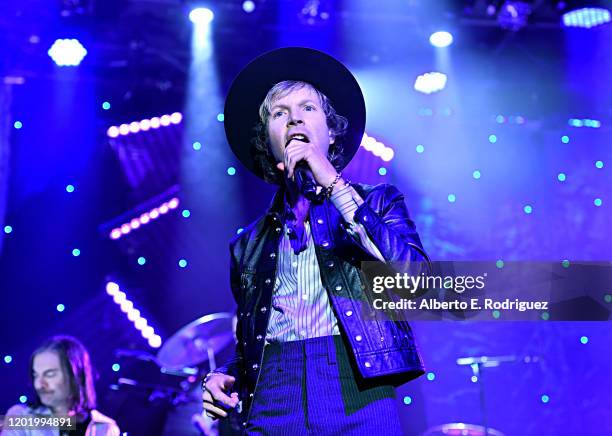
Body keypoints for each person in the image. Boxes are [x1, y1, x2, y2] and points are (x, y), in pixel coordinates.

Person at [202, 47, 430, 434]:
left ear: (331, 130)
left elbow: (415, 284)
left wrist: (333, 184)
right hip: (274, 396)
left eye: (307, 108)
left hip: (357, 386)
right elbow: (254, 340)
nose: (293, 118)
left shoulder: (377, 201)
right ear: (268, 141)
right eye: (279, 113)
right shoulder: (247, 245)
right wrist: (226, 374)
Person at [1, 335, 120, 436]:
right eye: (36, 375)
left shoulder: (106, 428)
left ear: (76, 375)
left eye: (50, 374)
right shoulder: (20, 417)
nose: (39, 384)